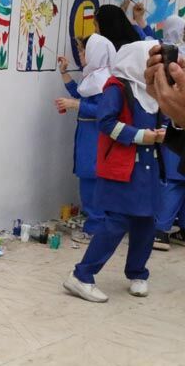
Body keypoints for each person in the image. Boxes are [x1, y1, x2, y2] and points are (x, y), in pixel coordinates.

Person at [63, 41, 165, 303]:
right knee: (115, 223)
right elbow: (106, 123)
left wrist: (164, 132)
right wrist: (140, 136)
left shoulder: (152, 90)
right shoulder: (116, 87)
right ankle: (82, 275)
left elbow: (163, 119)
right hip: (123, 168)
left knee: (146, 222)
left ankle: (137, 272)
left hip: (147, 169)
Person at [55, 34, 116, 242]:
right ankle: (96, 224)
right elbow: (80, 93)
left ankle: (95, 228)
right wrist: (64, 73)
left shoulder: (105, 80)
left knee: (91, 180)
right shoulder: (93, 76)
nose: (80, 55)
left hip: (96, 136)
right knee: (88, 177)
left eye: (83, 51)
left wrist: (76, 105)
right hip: (87, 134)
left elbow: (104, 110)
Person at [150, 16, 185, 250]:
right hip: (175, 123)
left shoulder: (174, 58)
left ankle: (163, 230)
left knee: (174, 181)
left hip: (174, 123)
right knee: (179, 181)